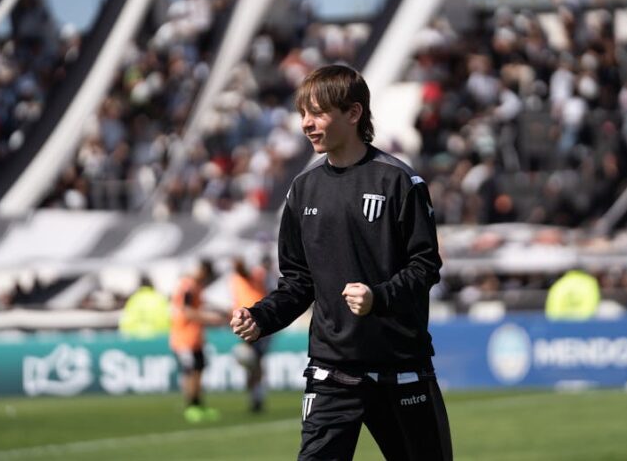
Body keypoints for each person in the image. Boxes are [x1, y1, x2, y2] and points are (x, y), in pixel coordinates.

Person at [230, 65, 453, 460]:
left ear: (353, 114)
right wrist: (261, 317)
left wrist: (378, 297)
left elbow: (425, 266)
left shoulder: (399, 182)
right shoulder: (302, 190)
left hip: (401, 370)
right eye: (302, 114)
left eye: (317, 113)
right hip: (331, 374)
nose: (306, 124)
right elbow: (298, 283)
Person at [170, 259, 225, 423]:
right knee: (191, 372)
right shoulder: (188, 286)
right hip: (184, 338)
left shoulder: (194, 286)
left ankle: (199, 405)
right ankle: (191, 407)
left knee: (198, 370)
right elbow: (186, 311)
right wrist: (210, 318)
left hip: (194, 338)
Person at [228, 256, 271, 412]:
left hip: (256, 321)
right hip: (245, 320)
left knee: (255, 360)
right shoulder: (243, 277)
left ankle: (256, 395)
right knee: (253, 360)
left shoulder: (257, 275)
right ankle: (255, 394)